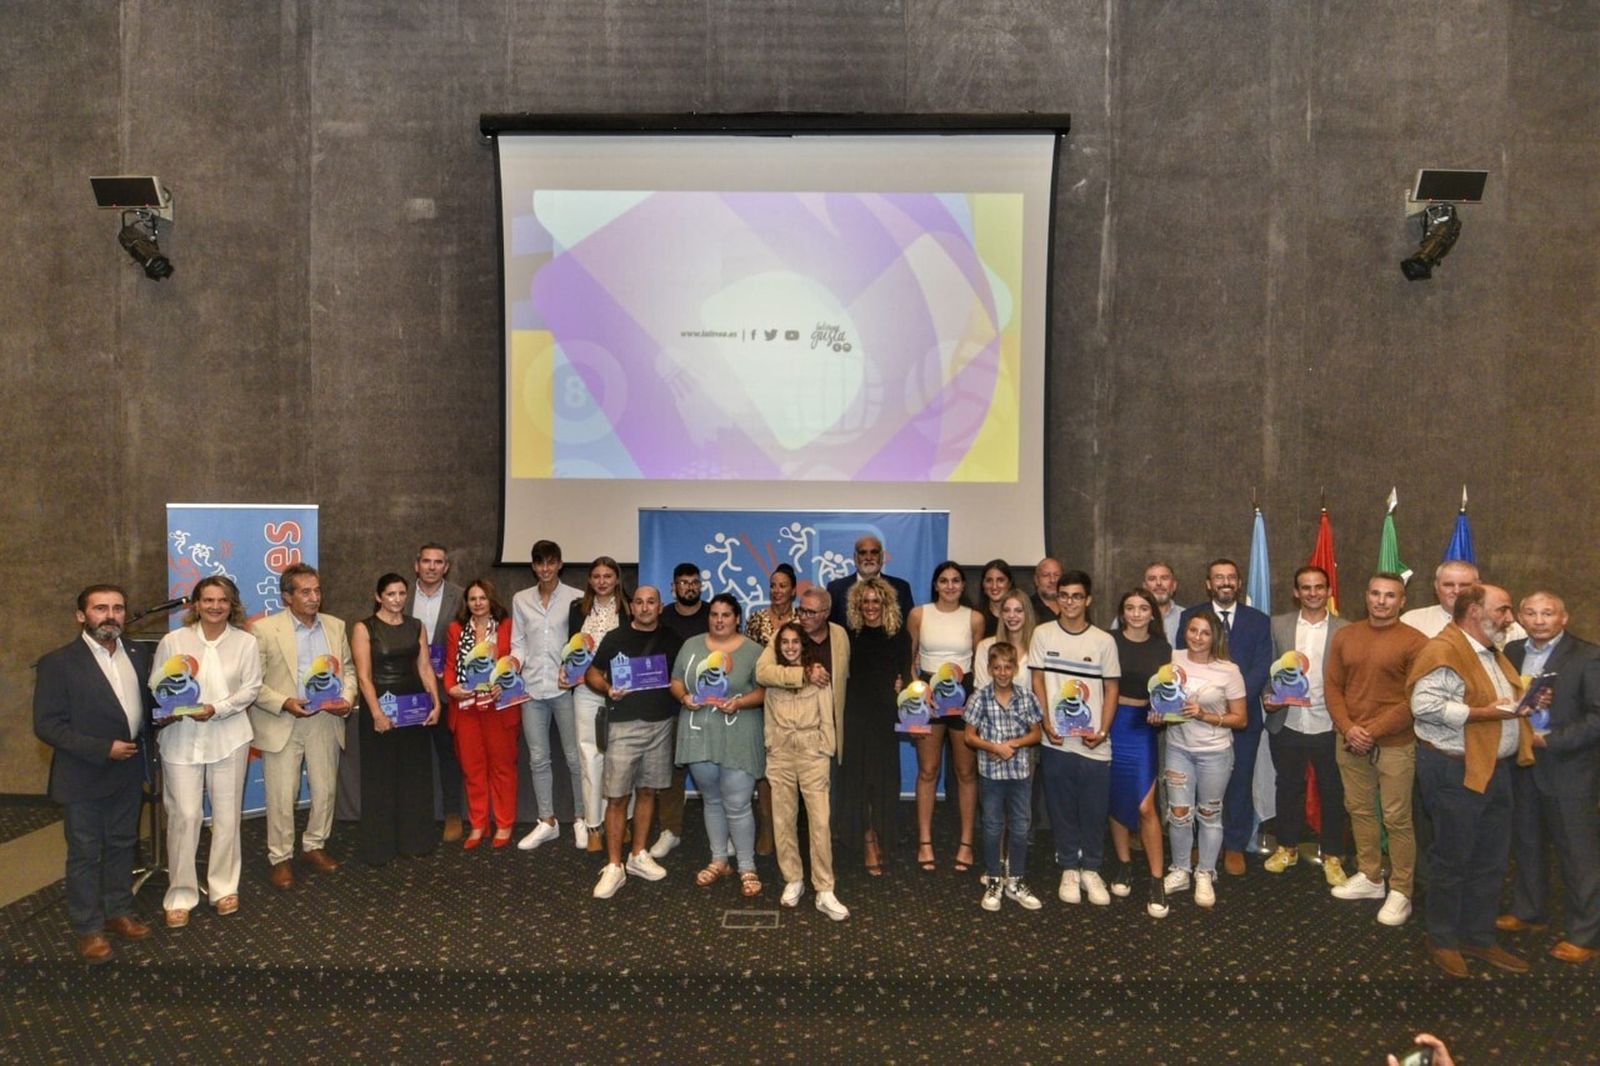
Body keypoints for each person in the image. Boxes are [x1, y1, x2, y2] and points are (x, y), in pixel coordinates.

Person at [1408, 583, 1537, 977]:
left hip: (1495, 770)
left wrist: (1525, 704)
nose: (1510, 618)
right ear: (1475, 612)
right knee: (1453, 859)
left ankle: (1478, 937)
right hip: (1454, 771)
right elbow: (1423, 705)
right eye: (1503, 609)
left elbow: (1500, 702)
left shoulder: (1491, 652)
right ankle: (1442, 939)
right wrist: (1485, 713)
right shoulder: (1443, 650)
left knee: (1491, 859)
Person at [33, 584, 155, 963]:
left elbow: (146, 707)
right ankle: (88, 928)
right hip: (83, 773)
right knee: (86, 852)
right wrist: (103, 749)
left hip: (129, 770)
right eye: (101, 608)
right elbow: (47, 725)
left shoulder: (137, 654)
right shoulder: (58, 663)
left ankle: (119, 911)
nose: (110, 615)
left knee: (122, 844)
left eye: (118, 608)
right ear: (81, 616)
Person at [150, 576, 261, 927]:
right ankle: (180, 894)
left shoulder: (245, 642)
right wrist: (170, 707)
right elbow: (157, 685)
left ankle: (224, 887)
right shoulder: (173, 641)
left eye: (222, 600)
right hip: (180, 740)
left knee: (227, 817)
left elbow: (251, 689)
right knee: (184, 815)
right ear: (196, 604)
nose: (215, 606)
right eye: (208, 600)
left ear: (232, 605)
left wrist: (217, 709)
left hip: (229, 737)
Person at [1501, 591, 1600, 964]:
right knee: (1527, 844)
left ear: (1564, 618)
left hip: (1569, 769)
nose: (1539, 620)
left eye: (1548, 613)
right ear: (1520, 617)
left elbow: (1597, 718)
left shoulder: (1588, 656)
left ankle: (1586, 935)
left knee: (1579, 856)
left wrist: (1550, 741)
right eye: (1531, 613)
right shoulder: (1511, 652)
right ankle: (1530, 912)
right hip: (1522, 765)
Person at [1325, 573, 1428, 925]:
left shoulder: (1416, 642)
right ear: (1366, 596)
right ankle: (1370, 876)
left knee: (1397, 818)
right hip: (1350, 740)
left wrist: (1372, 731)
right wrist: (1349, 728)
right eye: (1375, 594)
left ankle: (1401, 890)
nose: (1381, 601)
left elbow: (1415, 698)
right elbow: (1333, 687)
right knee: (1359, 809)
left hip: (1395, 743)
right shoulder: (1345, 635)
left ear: (1403, 601)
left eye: (1390, 595)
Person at [251, 563, 356, 889]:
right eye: (305, 592)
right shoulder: (264, 630)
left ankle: (314, 845)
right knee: (282, 795)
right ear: (287, 597)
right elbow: (253, 683)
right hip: (283, 719)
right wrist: (284, 702)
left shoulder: (335, 626)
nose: (314, 597)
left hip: (325, 719)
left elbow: (349, 670)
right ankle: (280, 857)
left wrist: (347, 698)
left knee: (325, 790)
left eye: (317, 590)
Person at [587, 586, 685, 899]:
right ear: (632, 607)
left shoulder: (672, 639)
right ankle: (614, 865)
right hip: (623, 725)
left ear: (660, 607)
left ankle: (638, 854)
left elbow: (682, 676)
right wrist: (607, 689)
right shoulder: (615, 638)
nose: (644, 607)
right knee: (617, 797)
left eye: (650, 602)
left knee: (648, 791)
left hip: (661, 724)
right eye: (639, 602)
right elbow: (592, 673)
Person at [1029, 570, 1120, 906]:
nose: (1069, 602)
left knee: (1094, 809)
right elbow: (1037, 681)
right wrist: (1045, 722)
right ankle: (1069, 866)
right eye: (1064, 595)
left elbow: (1112, 689)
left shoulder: (1103, 641)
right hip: (1055, 740)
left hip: (1094, 742)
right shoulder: (1042, 634)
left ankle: (1091, 868)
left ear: (1088, 600)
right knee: (1062, 807)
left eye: (1076, 596)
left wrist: (1103, 731)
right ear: (1058, 599)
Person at [1178, 559, 1270, 875]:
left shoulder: (1259, 621)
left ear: (1240, 583)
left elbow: (1262, 666)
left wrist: (1234, 701)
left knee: (1239, 782)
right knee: (1197, 783)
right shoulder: (1191, 617)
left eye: (1231, 577)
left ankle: (1234, 845)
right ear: (1209, 584)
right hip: (1197, 717)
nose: (1225, 582)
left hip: (1244, 718)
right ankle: (1198, 843)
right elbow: (1183, 664)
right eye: (1219, 577)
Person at [670, 594, 765, 896]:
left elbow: (764, 691)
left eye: (725, 615)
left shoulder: (754, 651)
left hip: (739, 735)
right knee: (711, 800)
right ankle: (719, 860)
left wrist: (739, 703)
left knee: (738, 804)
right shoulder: (691, 645)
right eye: (714, 614)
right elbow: (676, 680)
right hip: (699, 734)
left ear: (737, 618)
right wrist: (684, 697)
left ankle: (747, 867)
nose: (719, 620)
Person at [1262, 566, 1350, 885]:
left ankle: (1333, 854)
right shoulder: (1277, 625)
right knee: (1287, 787)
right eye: (1306, 587)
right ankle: (1287, 847)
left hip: (1329, 724)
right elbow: (1267, 668)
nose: (1313, 593)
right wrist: (1268, 697)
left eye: (1319, 587)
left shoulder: (1346, 629)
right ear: (1296, 592)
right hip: (1287, 722)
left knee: (1332, 790)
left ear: (1329, 591)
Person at [351, 573, 442, 865]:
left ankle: (415, 841)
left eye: (402, 593)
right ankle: (380, 848)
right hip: (380, 709)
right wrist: (377, 714)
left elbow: (425, 667)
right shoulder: (364, 628)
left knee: (413, 776)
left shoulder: (417, 626)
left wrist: (436, 703)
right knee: (381, 778)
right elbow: (364, 676)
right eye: (391, 594)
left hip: (413, 710)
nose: (397, 599)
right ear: (379, 597)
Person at [763, 622, 850, 919]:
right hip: (781, 753)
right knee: (783, 819)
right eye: (784, 642)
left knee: (820, 821)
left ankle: (825, 888)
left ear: (803, 645)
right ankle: (793, 879)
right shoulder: (774, 675)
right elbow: (768, 714)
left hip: (813, 753)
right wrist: (771, 746)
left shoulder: (818, 674)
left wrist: (825, 749)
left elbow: (827, 716)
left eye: (795, 642)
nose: (790, 647)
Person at [1161, 610, 1247, 909]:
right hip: (1177, 749)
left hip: (1215, 753)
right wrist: (1157, 714)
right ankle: (1181, 870)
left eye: (1205, 633)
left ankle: (1205, 873)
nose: (1197, 637)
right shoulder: (1171, 659)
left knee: (1209, 815)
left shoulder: (1229, 670)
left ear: (1215, 637)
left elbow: (1241, 719)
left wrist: (1204, 715)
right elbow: (1162, 699)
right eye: (1193, 630)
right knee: (1178, 813)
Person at [907, 561, 984, 873]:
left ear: (963, 586)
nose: (950, 586)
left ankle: (966, 842)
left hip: (963, 693)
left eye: (955, 581)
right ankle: (924, 841)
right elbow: (909, 659)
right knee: (928, 770)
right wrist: (918, 689)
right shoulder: (919, 614)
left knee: (965, 771)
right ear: (935, 585)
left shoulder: (975, 618)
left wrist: (974, 698)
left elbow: (980, 663)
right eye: (944, 581)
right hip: (928, 692)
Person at [510, 539, 584, 850]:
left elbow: (582, 643)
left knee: (574, 757)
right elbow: (518, 643)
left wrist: (575, 671)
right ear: (533, 566)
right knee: (538, 758)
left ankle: (582, 819)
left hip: (565, 689)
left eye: (551, 562)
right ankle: (547, 821)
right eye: (540, 563)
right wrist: (512, 665)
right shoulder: (521, 599)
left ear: (560, 564)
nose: (545, 568)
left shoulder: (577, 598)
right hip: (531, 689)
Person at [837, 577, 913, 874]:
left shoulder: (900, 636)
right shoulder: (848, 635)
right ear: (857, 604)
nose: (870, 607)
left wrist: (903, 687)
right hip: (855, 715)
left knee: (883, 782)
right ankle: (867, 839)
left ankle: (883, 836)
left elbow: (906, 676)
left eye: (876, 601)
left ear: (886, 604)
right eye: (865, 601)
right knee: (858, 781)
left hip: (885, 717)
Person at [966, 642, 1044, 912]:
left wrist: (1013, 745)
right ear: (989, 669)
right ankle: (994, 878)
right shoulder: (979, 698)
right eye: (997, 668)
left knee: (1021, 826)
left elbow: (1037, 733)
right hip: (991, 775)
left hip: (1020, 773)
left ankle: (1017, 879)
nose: (1002, 673)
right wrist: (993, 747)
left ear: (1015, 669)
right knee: (992, 826)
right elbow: (969, 736)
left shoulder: (1026, 697)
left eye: (1007, 668)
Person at [1108, 589, 1171, 917]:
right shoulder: (1108, 641)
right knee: (1117, 798)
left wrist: (1163, 713)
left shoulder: (1162, 648)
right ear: (1122, 612)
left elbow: (1166, 693)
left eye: (1143, 608)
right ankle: (1123, 865)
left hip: (1142, 726)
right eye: (1130, 608)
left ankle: (1157, 879)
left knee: (1146, 806)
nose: (1136, 613)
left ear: (1152, 613)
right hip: (1111, 722)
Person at [444, 579, 520, 849]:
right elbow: (450, 665)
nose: (477, 603)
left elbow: (515, 658)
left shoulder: (507, 626)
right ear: (466, 602)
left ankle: (504, 823)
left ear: (491, 600)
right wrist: (450, 688)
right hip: (466, 708)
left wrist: (506, 680)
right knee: (473, 769)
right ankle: (478, 824)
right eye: (472, 598)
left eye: (482, 598)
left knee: (502, 768)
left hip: (498, 707)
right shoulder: (456, 629)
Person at [565, 557, 629, 852]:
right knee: (589, 756)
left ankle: (621, 821)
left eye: (608, 576)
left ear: (617, 579)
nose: (602, 582)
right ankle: (593, 825)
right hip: (586, 690)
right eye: (596, 576)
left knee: (621, 758)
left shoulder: (629, 608)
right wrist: (566, 671)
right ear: (589, 580)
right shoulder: (578, 609)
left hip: (621, 692)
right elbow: (570, 648)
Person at [409, 544, 465, 842]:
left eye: (438, 562)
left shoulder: (461, 596)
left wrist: (453, 671)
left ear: (446, 567)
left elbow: (470, 639)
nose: (432, 567)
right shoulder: (400, 595)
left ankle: (452, 814)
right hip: (409, 689)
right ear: (416, 565)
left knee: (448, 755)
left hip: (445, 690)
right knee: (413, 756)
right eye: (426, 561)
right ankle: (415, 814)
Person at [652, 561, 707, 859]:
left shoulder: (713, 615)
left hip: (708, 707)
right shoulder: (663, 617)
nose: (690, 587)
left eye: (694, 582)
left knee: (712, 769)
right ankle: (670, 830)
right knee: (671, 771)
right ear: (673, 588)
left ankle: (722, 832)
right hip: (670, 705)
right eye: (683, 583)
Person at [1402, 560, 1526, 647]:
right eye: (1448, 585)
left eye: (1464, 585)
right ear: (1436, 586)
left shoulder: (1508, 626)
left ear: (1478, 587)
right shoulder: (1412, 621)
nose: (1456, 591)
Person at [826, 535, 917, 625]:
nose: (869, 558)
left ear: (881, 557)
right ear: (855, 557)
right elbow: (831, 628)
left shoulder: (901, 588)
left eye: (874, 552)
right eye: (863, 553)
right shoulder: (836, 589)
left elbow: (910, 626)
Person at [974, 588, 1035, 692]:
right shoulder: (985, 647)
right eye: (1006, 610)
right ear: (1001, 614)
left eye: (1018, 610)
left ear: (1027, 614)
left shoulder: (1036, 648)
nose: (1011, 615)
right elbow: (981, 690)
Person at [745, 563, 798, 647]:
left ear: (793, 591)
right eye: (773, 586)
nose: (776, 590)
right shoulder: (757, 618)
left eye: (782, 586)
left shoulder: (801, 619)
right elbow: (749, 651)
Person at [977, 559, 1015, 638]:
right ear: (983, 585)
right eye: (989, 580)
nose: (994, 586)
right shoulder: (975, 616)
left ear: (1010, 584)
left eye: (1000, 580)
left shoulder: (1021, 615)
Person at [1030, 556, 1063, 621]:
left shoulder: (1070, 605)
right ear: (1036, 580)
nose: (1053, 580)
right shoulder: (1027, 607)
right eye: (1046, 575)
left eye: (1057, 575)